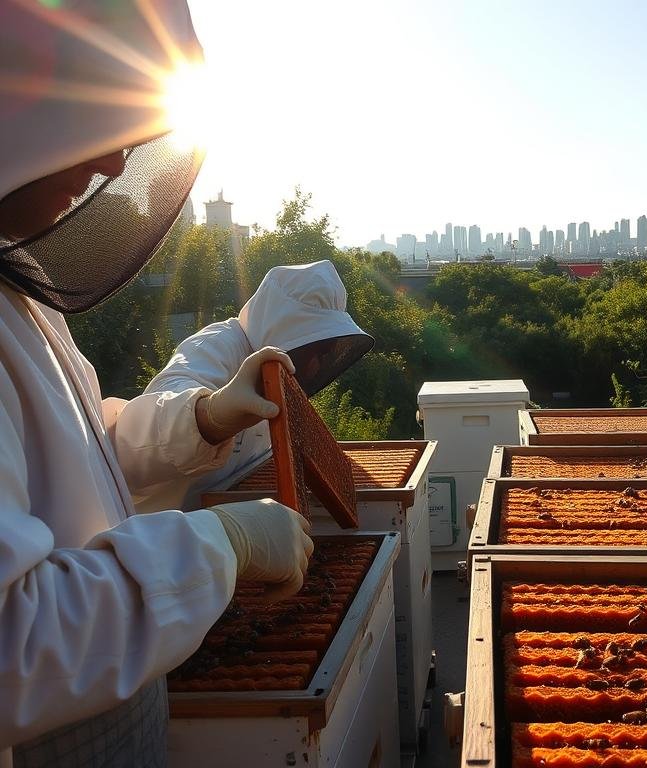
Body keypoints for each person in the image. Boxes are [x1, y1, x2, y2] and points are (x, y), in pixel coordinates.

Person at [0, 1, 312, 764]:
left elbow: (78, 455)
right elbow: (15, 650)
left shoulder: (17, 296)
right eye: (93, 117)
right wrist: (220, 544)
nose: (113, 163)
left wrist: (199, 420)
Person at [130, 260, 374, 514]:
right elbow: (160, 404)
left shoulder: (271, 371)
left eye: (324, 354)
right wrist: (212, 414)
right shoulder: (214, 345)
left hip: (228, 527)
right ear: (284, 329)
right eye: (314, 351)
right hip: (170, 535)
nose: (315, 366)